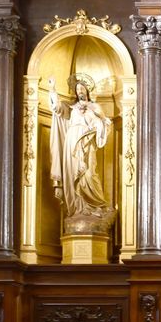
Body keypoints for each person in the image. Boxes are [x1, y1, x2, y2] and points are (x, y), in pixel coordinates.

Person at [49, 75, 114, 221]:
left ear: (87, 90)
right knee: (72, 174)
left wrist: (97, 123)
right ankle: (78, 209)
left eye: (82, 88)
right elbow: (57, 108)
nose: (79, 91)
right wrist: (52, 89)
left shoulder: (95, 107)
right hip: (72, 143)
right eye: (77, 89)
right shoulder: (71, 107)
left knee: (89, 173)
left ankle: (96, 205)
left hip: (87, 142)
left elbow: (105, 123)